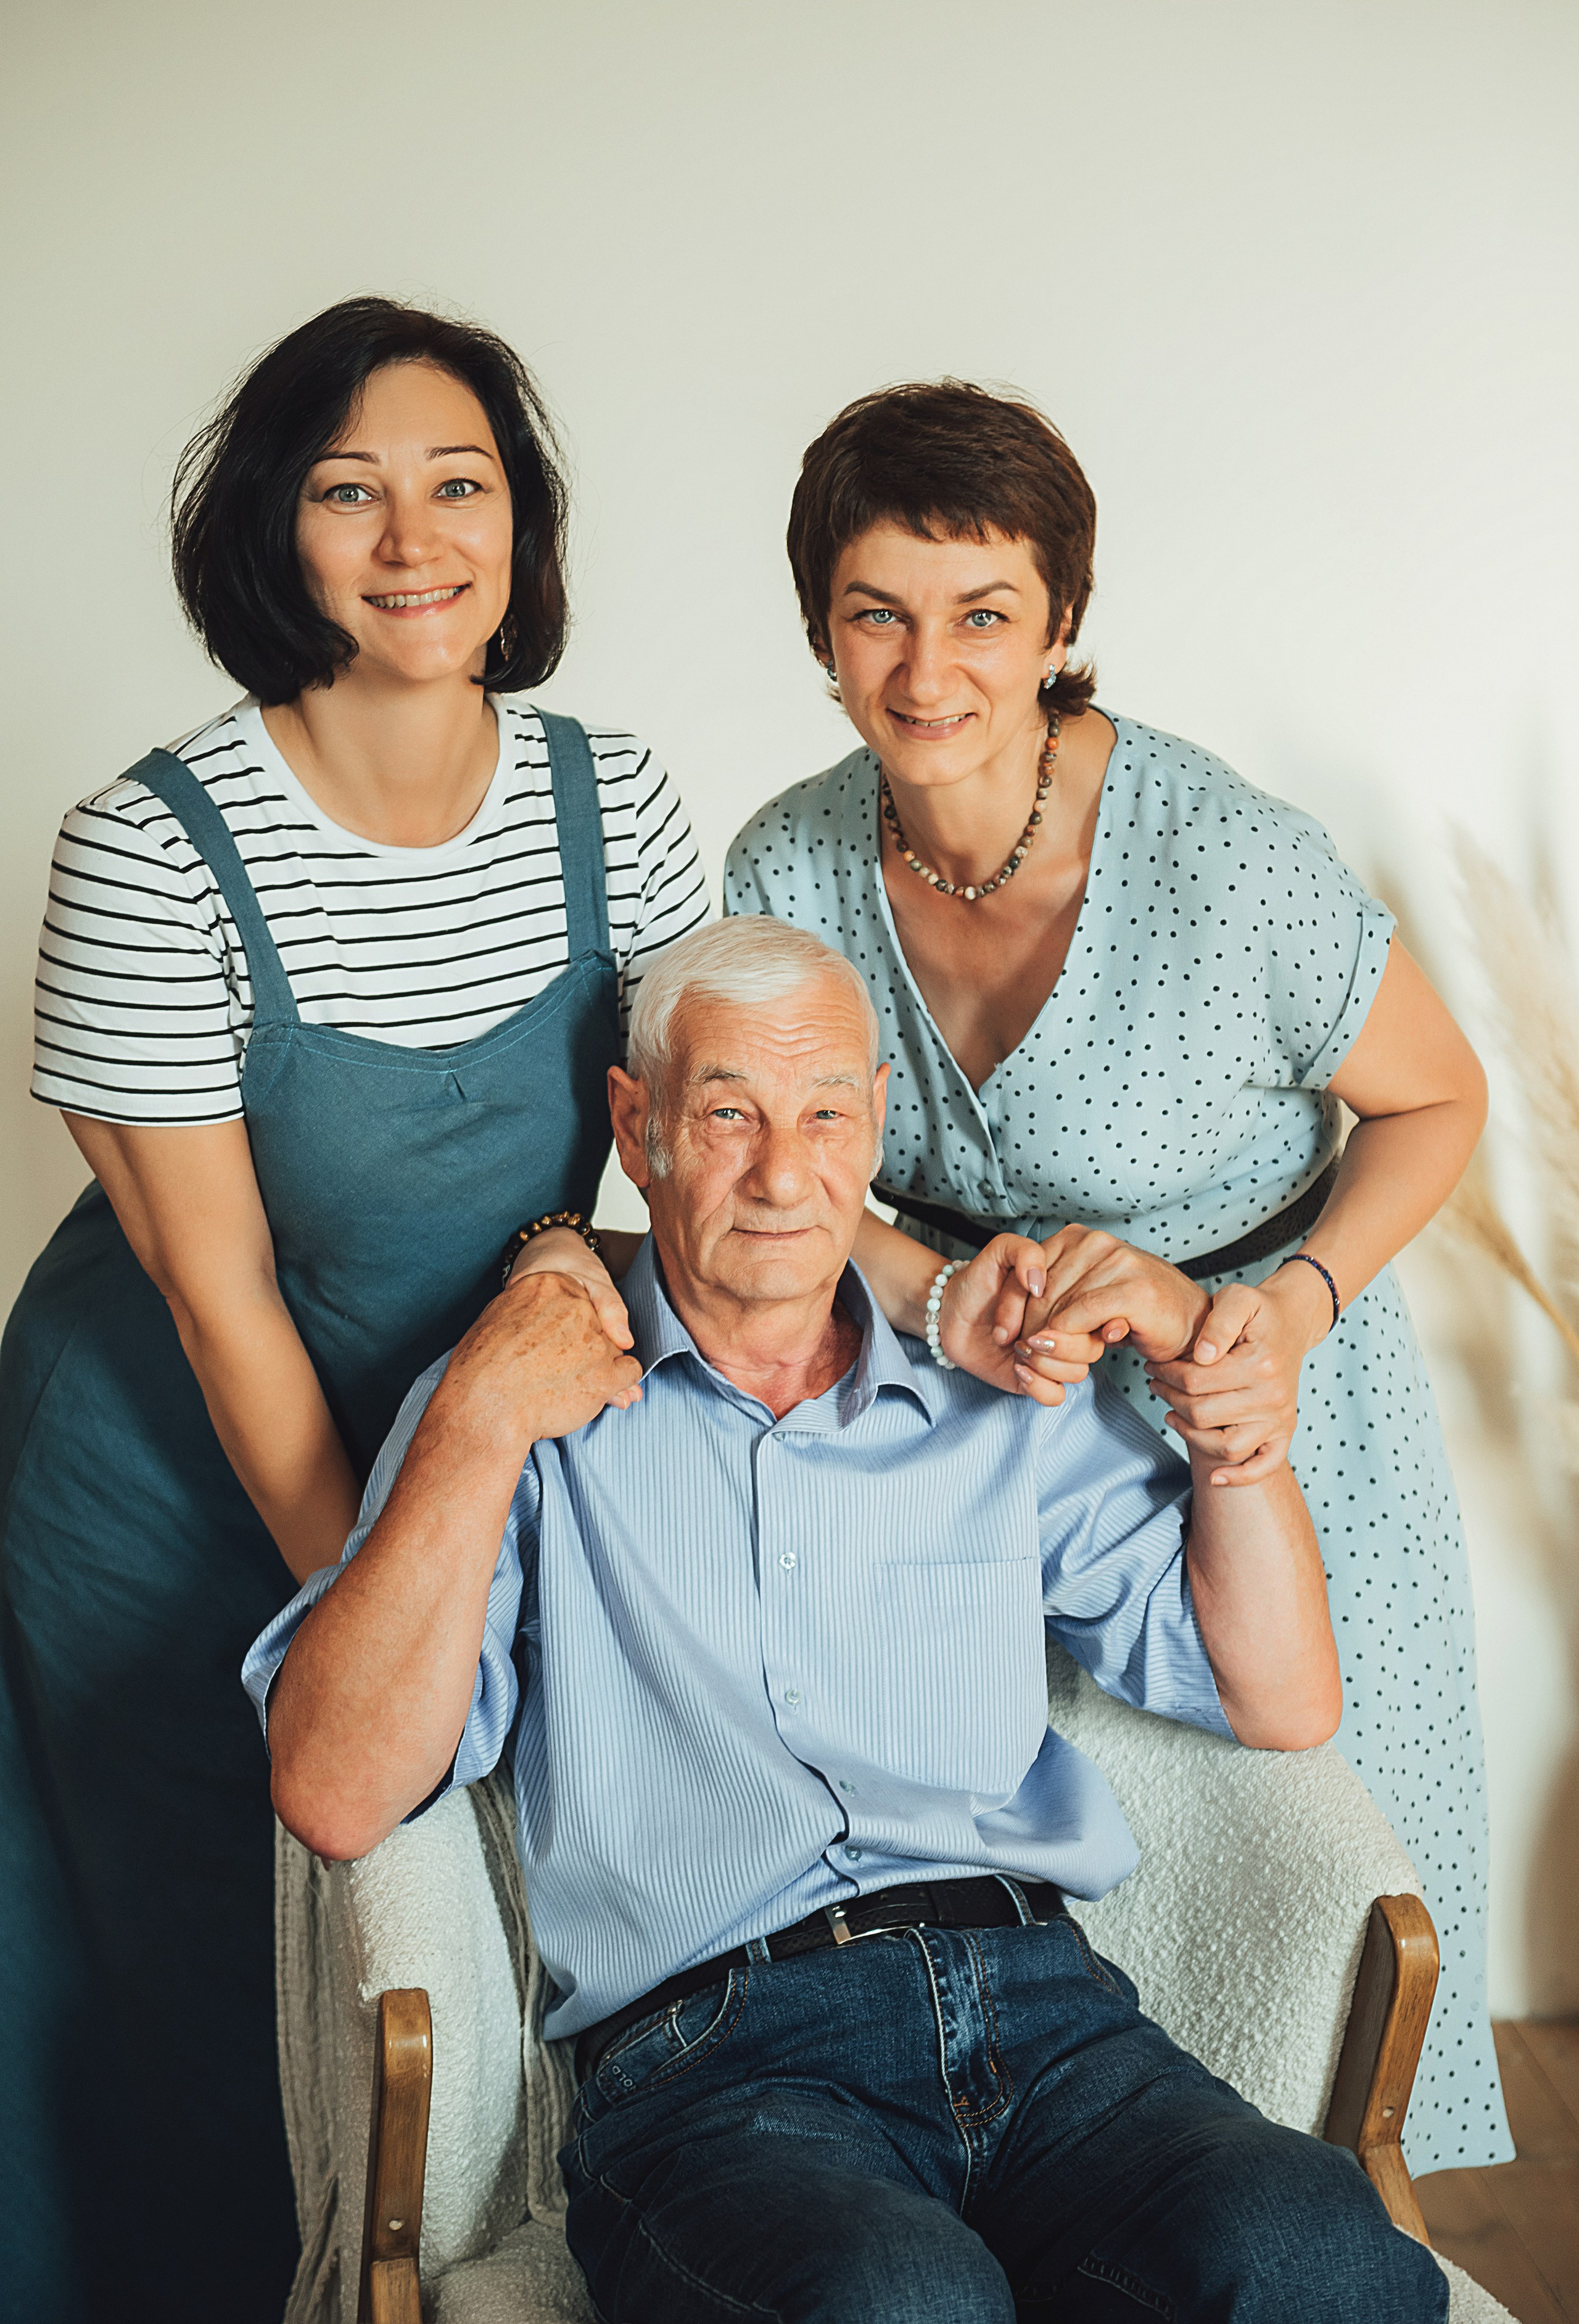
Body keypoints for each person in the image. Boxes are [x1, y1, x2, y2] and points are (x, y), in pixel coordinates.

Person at [247, 918, 1445, 2324]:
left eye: (823, 1114)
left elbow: (1281, 1696)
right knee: (898, 2302)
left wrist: (1234, 1440)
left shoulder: (998, 1389)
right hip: (719, 2065)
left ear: (874, 1122)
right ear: (637, 1130)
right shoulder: (525, 1396)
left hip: (1049, 2016)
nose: (779, 1171)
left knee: (1327, 2251)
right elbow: (331, 1788)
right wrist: (473, 1419)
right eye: (727, 1113)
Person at [0, 297, 709, 2322]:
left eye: (459, 481)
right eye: (348, 489)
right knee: (211, 1986)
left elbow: (694, 1165)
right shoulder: (149, 850)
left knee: (459, 1987)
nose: (415, 535)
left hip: (460, 1437)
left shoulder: (614, 796)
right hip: (173, 1487)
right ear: (270, 535)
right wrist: (382, 1639)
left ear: (521, 521)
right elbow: (221, 1305)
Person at [722, 379, 1509, 2175]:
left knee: (1315, 1902)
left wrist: (1288, 1314)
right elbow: (788, 1163)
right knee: (1056, 1923)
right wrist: (925, 1291)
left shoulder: (1225, 858)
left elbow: (1437, 1094)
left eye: (984, 614)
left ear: (1063, 623)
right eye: (878, 615)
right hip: (978, 1438)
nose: (930, 671)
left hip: (1268, 1411)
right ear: (819, 629)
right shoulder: (785, 859)